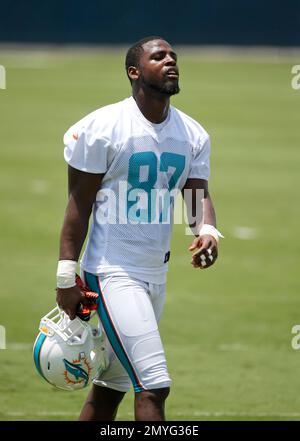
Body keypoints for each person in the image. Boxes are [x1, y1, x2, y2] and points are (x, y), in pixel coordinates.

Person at [56, 36, 222, 422]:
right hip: (112, 271)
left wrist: (208, 230)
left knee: (110, 388)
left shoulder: (193, 134)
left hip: (155, 273)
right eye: (158, 56)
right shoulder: (103, 127)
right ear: (134, 71)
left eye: (173, 56)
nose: (170, 61)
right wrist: (66, 273)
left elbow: (196, 195)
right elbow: (79, 204)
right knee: (154, 385)